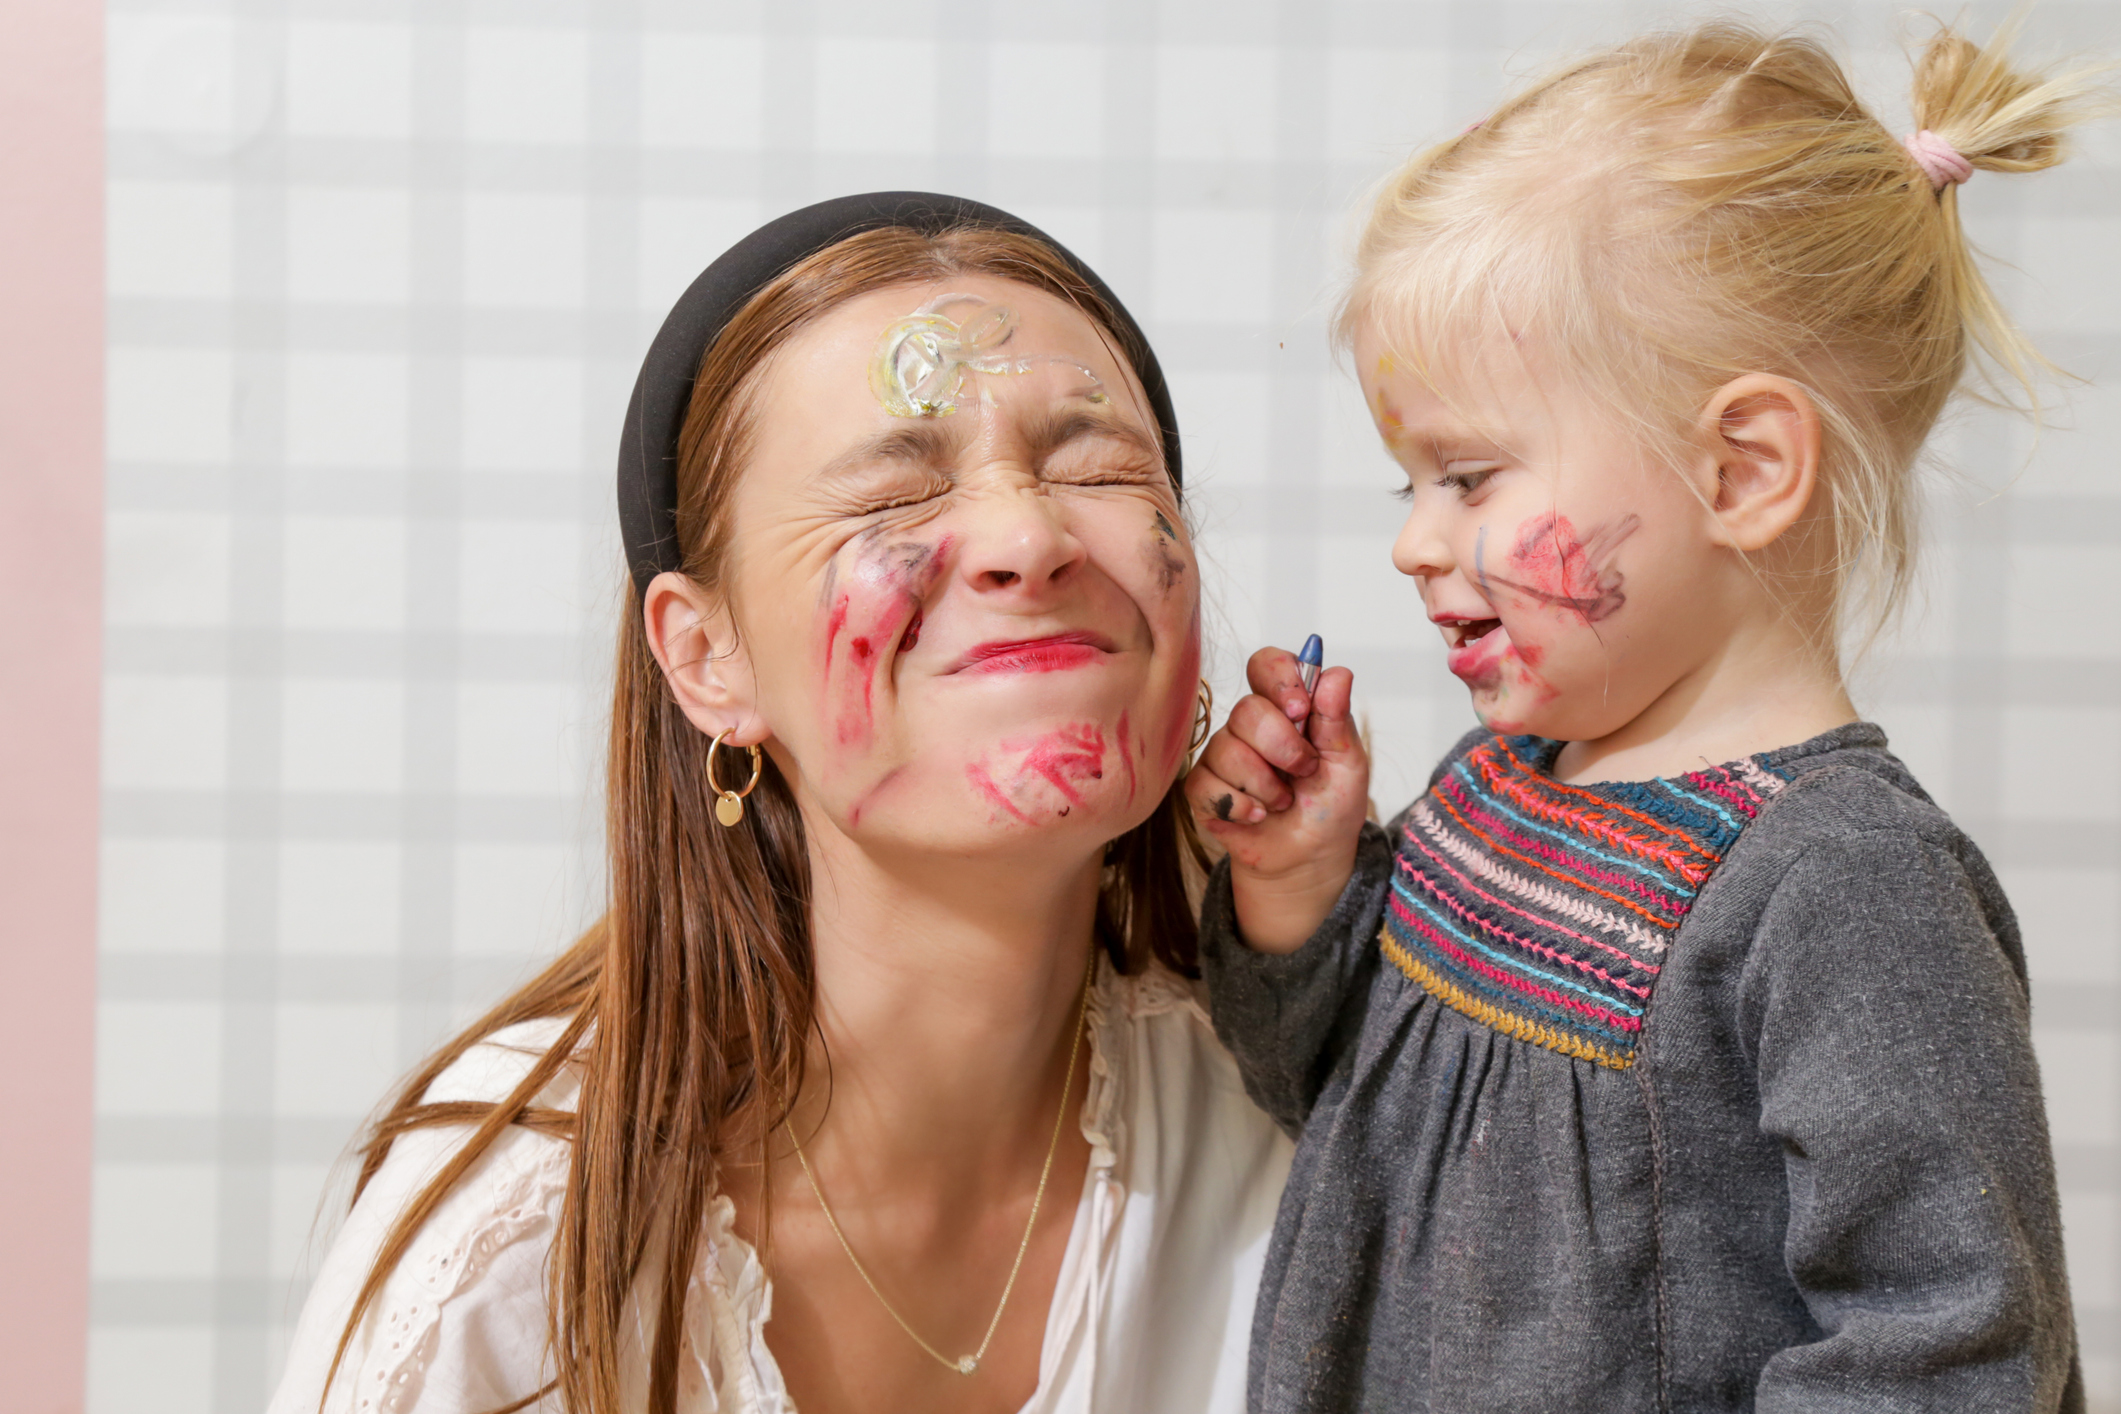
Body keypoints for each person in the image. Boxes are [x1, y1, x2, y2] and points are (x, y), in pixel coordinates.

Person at [1186, 20, 2105, 1412]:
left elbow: (1949, 1352)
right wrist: (1302, 884)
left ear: (1740, 469)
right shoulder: (1499, 783)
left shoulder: (1843, 887)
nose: (1416, 545)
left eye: (1469, 475)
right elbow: (1331, 1106)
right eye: (1408, 488)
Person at [269, 193, 1292, 1414]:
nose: (1027, 532)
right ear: (707, 658)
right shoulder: (514, 1253)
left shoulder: (1295, 1132)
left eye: (1098, 467)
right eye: (893, 499)